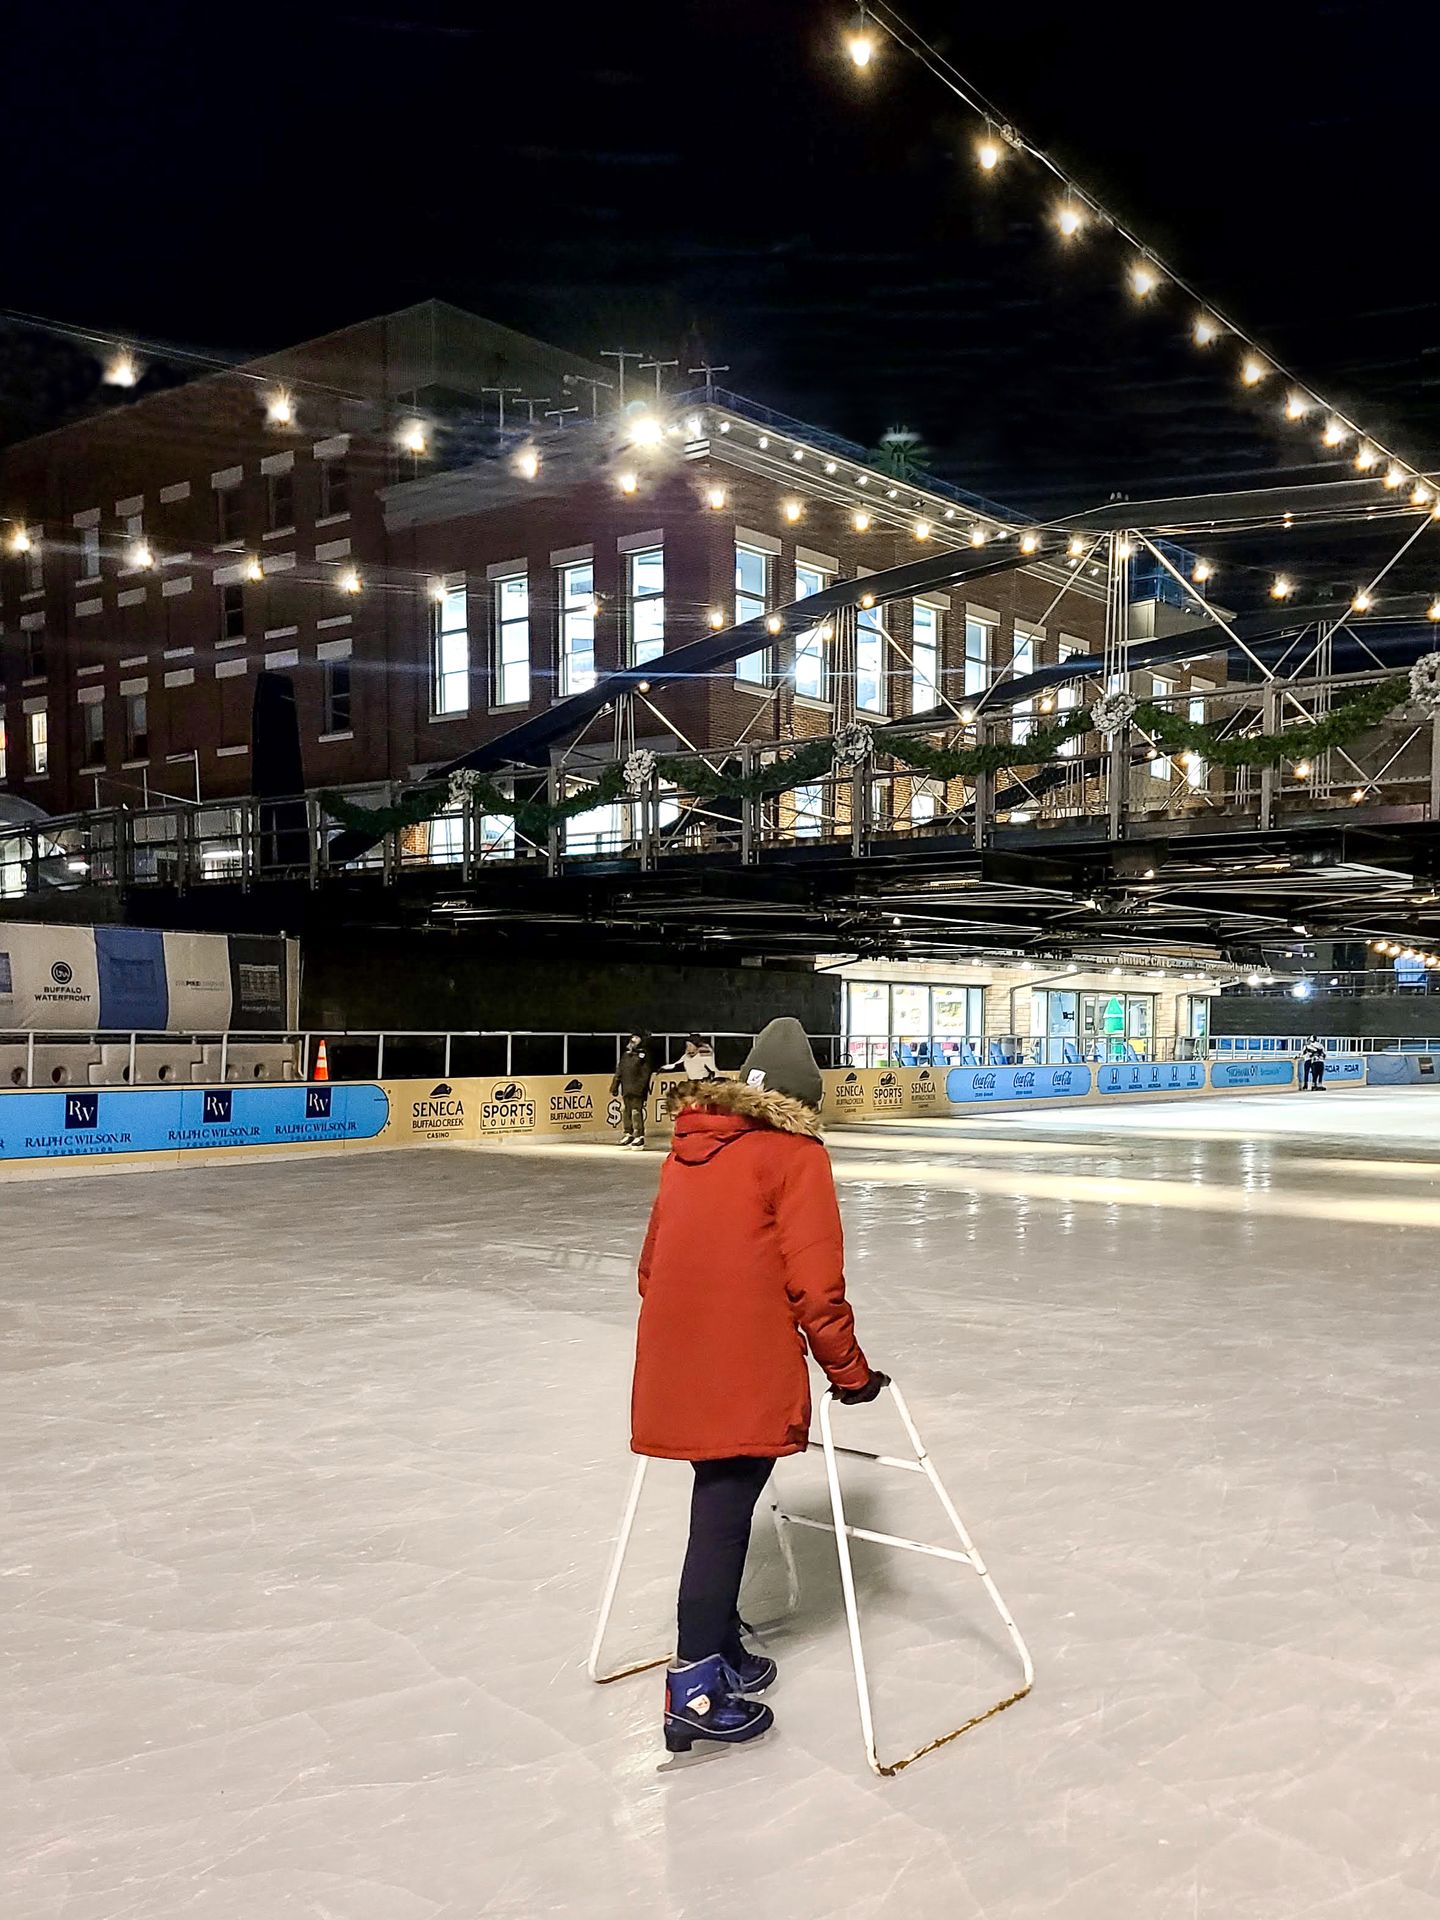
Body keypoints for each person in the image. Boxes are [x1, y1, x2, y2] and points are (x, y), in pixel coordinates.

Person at [630, 1016, 887, 1754]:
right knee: (722, 1510)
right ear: (804, 1101)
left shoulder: (688, 1147)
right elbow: (814, 1284)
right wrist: (851, 1373)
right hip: (743, 1360)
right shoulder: (795, 1155)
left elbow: (649, 1268)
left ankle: (722, 1647)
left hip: (679, 1354)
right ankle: (695, 1687)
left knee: (722, 1497)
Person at [611, 1033, 658, 1148]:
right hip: (626, 1088)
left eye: (636, 1038)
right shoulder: (626, 1055)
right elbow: (619, 1071)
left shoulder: (643, 1055)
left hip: (637, 1089)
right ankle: (628, 1133)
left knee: (636, 1112)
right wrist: (615, 1086)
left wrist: (641, 1088)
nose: (633, 1040)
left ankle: (639, 1135)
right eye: (632, 1038)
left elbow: (646, 1073)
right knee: (626, 1111)